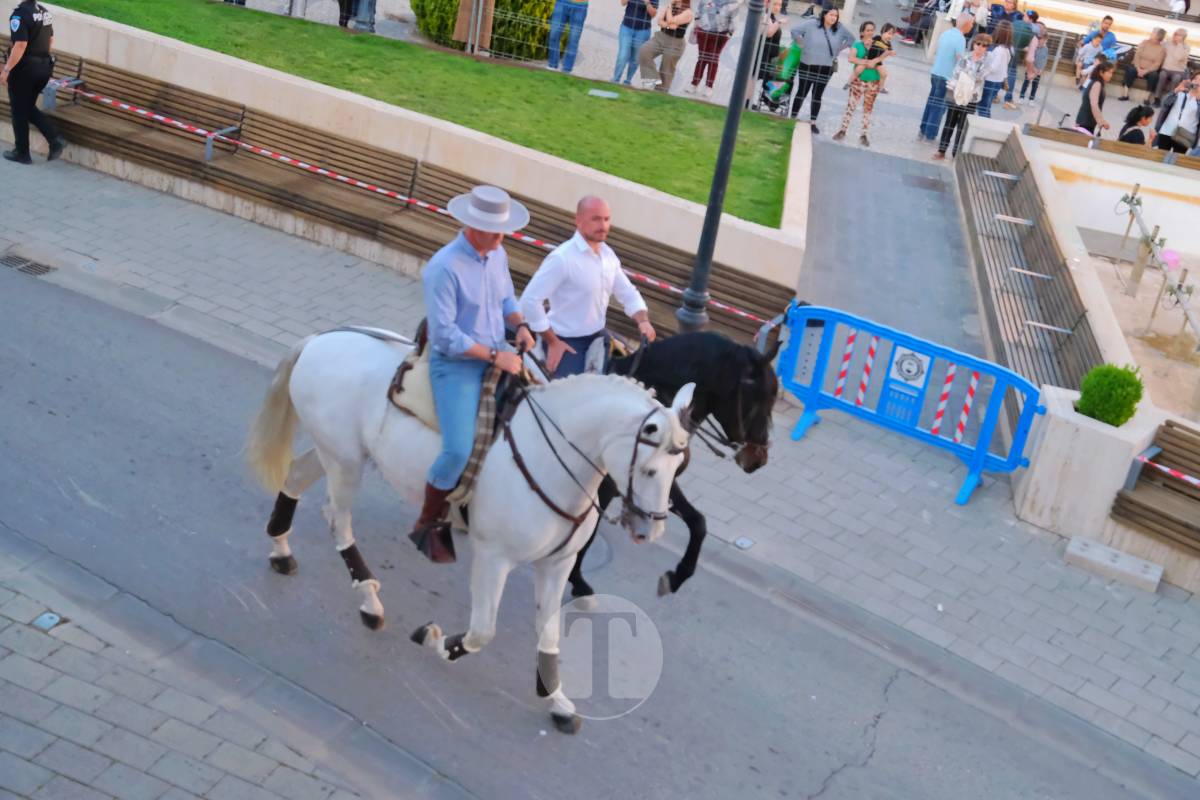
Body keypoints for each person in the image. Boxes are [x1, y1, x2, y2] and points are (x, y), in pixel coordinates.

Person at [412, 186, 537, 564]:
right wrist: (496, 356)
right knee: (457, 449)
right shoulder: (443, 268)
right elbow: (446, 336)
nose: (500, 238)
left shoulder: (497, 254)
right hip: (457, 365)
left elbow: (506, 301)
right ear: (471, 225)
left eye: (502, 230)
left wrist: (522, 325)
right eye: (492, 230)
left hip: (499, 352)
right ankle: (427, 521)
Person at [520, 196, 656, 378]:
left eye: (606, 219)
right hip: (566, 341)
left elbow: (628, 293)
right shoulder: (562, 258)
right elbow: (530, 300)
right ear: (578, 220)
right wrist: (552, 342)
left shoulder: (608, 255)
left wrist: (643, 320)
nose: (603, 225)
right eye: (596, 219)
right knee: (570, 401)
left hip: (598, 337)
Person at [3, 0, 64, 165]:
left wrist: (7, 70)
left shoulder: (20, 14)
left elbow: (20, 45)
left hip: (25, 70)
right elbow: (50, 40)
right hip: (44, 68)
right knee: (26, 107)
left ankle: (22, 152)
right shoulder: (44, 12)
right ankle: (54, 139)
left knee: (18, 109)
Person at [787, 5, 855, 134]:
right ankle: (792, 117)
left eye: (836, 16)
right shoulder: (812, 23)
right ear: (824, 14)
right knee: (802, 91)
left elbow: (851, 39)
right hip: (807, 64)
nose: (834, 18)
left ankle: (813, 122)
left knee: (817, 95)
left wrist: (839, 49)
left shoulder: (839, 28)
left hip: (826, 67)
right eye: (831, 15)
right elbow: (794, 31)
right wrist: (801, 44)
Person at [834, 21, 892, 146]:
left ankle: (864, 135)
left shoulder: (877, 44)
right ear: (862, 32)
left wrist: (876, 59)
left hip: (873, 81)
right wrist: (866, 62)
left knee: (868, 109)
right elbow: (851, 58)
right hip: (858, 81)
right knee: (851, 105)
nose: (870, 32)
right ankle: (843, 130)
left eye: (872, 30)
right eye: (868, 30)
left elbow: (883, 57)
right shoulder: (857, 45)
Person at [934, 33, 989, 160]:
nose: (980, 47)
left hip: (972, 97)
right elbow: (956, 72)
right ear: (974, 44)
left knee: (963, 126)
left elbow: (980, 77)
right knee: (949, 122)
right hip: (957, 93)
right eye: (978, 44)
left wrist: (966, 76)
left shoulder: (986, 61)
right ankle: (942, 150)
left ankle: (956, 153)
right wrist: (967, 77)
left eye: (984, 45)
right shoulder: (965, 56)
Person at [920, 13, 973, 141]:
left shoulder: (946, 33)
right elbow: (959, 59)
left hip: (936, 72)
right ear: (966, 25)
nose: (972, 26)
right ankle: (930, 133)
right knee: (939, 106)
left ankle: (923, 128)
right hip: (946, 77)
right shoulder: (960, 39)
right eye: (971, 23)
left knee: (931, 101)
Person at [688, 0, 740, 97]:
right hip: (703, 32)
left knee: (713, 59)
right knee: (702, 58)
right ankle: (694, 84)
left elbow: (734, 21)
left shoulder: (733, 4)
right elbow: (698, 13)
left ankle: (709, 86)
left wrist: (729, 34)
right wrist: (697, 27)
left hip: (720, 34)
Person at [638, 0, 693, 92]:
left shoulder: (688, 12)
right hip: (661, 37)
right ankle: (652, 81)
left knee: (666, 69)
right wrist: (668, 24)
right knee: (644, 51)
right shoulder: (670, 6)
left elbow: (672, 21)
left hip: (676, 43)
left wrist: (669, 10)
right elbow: (660, 21)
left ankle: (660, 93)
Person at [614, 0, 656, 85]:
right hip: (626, 27)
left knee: (636, 58)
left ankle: (628, 81)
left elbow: (653, 14)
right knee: (623, 55)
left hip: (643, 31)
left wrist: (647, 2)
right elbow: (623, 3)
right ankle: (615, 80)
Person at [1154, 76, 1199, 153]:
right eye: (1195, 79)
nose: (1197, 82)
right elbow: (1164, 103)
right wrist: (1176, 90)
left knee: (1176, 160)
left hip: (1185, 135)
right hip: (1167, 130)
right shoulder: (1180, 93)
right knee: (1160, 157)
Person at [1121, 28, 1166, 102]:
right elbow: (1137, 55)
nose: (1151, 34)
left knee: (1154, 76)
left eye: (1153, 33)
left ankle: (1146, 98)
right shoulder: (1144, 42)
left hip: (1149, 70)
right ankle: (1125, 95)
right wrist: (1138, 68)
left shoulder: (1162, 49)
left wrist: (1145, 71)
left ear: (1158, 36)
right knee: (1130, 70)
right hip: (1137, 66)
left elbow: (1157, 64)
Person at [978, 19, 1012, 118]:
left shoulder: (999, 50)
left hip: (990, 81)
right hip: (997, 81)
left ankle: (984, 124)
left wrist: (983, 70)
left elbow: (994, 67)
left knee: (983, 106)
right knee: (986, 106)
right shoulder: (1006, 49)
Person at [547, 0, 589, 73]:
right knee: (554, 34)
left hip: (580, 6)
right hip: (561, 2)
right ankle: (552, 65)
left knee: (573, 40)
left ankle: (567, 70)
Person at [1075, 58, 1114, 136]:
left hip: (1086, 121)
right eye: (1109, 72)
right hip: (1085, 122)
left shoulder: (1096, 83)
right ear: (1101, 72)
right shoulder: (1097, 84)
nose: (1111, 75)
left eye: (1112, 73)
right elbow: (1094, 104)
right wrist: (1101, 121)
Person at [1018, 13, 1048, 105]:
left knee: (1035, 85)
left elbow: (1044, 59)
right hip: (1031, 67)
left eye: (1043, 40)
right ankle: (1021, 97)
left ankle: (1031, 99)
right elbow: (1029, 56)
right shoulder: (1032, 43)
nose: (1040, 41)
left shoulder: (1045, 49)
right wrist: (1031, 68)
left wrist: (1040, 69)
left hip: (1038, 69)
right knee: (1026, 82)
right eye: (1039, 40)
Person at [1156, 29, 1191, 107]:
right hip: (1166, 68)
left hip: (1178, 71)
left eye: (1178, 35)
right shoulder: (1168, 43)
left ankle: (1169, 99)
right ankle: (1157, 99)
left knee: (1176, 78)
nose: (1175, 36)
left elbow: (1177, 57)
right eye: (1175, 34)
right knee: (1162, 76)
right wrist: (1168, 39)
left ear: (1183, 37)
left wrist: (1179, 44)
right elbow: (1159, 44)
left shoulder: (1186, 47)